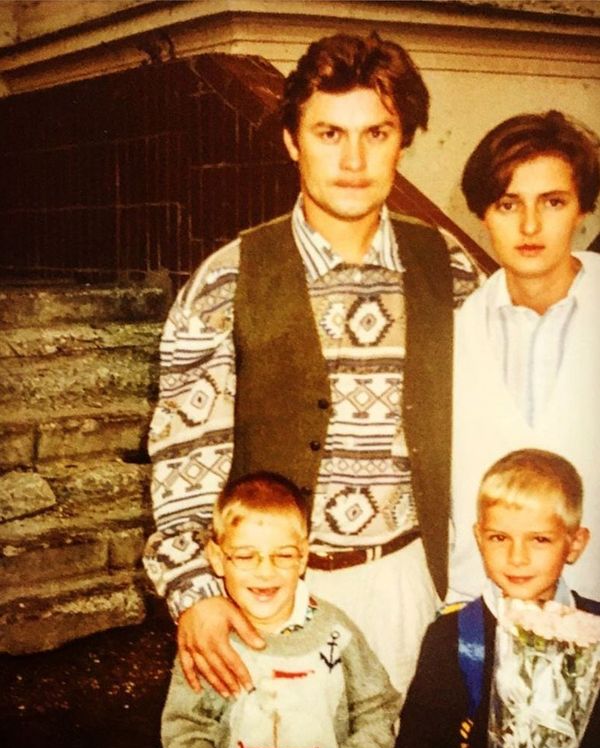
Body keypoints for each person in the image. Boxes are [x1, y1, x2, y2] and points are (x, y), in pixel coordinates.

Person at [145, 30, 480, 696]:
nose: (353, 160)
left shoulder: (450, 270)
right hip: (270, 601)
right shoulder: (226, 282)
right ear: (292, 142)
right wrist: (197, 594)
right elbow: (184, 467)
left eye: (376, 133)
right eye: (329, 134)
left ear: (403, 140)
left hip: (415, 586)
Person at [161, 472, 401, 748]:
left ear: (302, 558)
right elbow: (186, 729)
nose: (265, 571)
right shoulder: (212, 643)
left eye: (284, 555)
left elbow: (375, 710)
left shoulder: (336, 632)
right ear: (217, 558)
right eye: (245, 556)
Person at [450, 110, 600, 604]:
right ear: (483, 213)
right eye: (508, 204)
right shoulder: (455, 328)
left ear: (583, 208)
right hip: (482, 611)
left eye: (553, 202)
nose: (530, 225)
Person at [396, 448, 600, 748]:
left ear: (574, 544)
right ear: (479, 538)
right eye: (499, 538)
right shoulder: (453, 636)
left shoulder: (594, 630)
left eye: (539, 539)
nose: (517, 557)